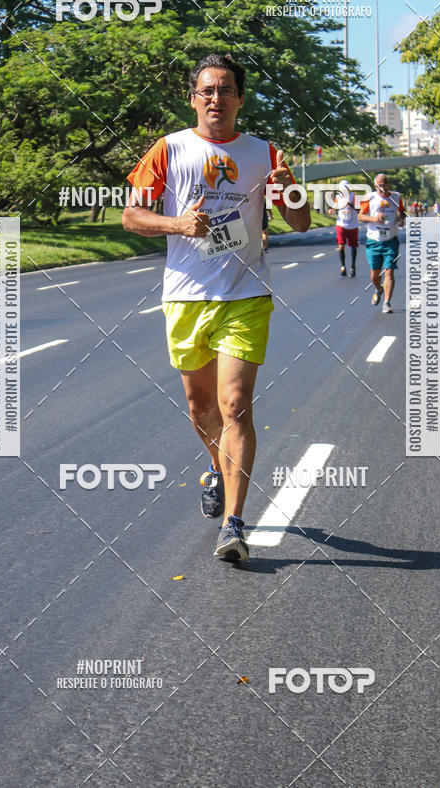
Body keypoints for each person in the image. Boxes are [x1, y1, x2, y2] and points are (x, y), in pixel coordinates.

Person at [123, 53, 310, 562]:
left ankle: (234, 523)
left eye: (226, 90)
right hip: (184, 295)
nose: (216, 99)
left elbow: (299, 222)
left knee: (234, 406)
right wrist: (179, 225)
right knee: (200, 408)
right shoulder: (168, 149)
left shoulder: (264, 153)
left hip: (245, 295)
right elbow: (132, 216)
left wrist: (288, 188)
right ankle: (216, 466)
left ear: (240, 99)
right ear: (193, 98)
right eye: (207, 90)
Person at [358, 173, 405, 314]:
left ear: (388, 184)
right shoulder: (369, 198)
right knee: (374, 275)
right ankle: (379, 289)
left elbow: (403, 213)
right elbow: (360, 216)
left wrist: (400, 219)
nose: (381, 188)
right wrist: (374, 219)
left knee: (389, 271)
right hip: (374, 240)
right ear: (375, 186)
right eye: (379, 185)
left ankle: (387, 302)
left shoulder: (396, 197)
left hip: (391, 240)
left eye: (384, 185)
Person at [334, 179, 359, 276]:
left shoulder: (353, 196)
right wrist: (332, 209)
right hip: (341, 224)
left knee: (353, 246)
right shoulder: (338, 197)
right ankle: (343, 266)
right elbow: (334, 206)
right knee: (341, 246)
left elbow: (359, 209)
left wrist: (350, 204)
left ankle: (352, 266)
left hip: (353, 225)